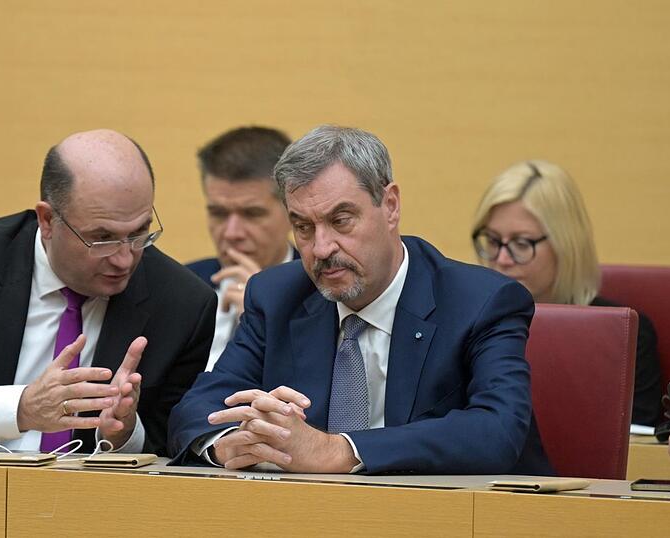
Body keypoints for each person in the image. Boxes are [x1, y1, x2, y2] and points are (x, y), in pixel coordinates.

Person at [168, 125, 551, 475]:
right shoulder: (277, 295)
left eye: (341, 220)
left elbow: (497, 430)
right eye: (302, 227)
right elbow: (199, 407)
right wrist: (228, 446)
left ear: (390, 206)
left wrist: (339, 451)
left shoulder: (481, 301)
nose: (321, 248)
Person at [0, 129, 216, 456]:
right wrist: (20, 409)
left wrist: (123, 433)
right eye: (103, 238)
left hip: (95, 505)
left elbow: (175, 440)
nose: (125, 258)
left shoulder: (183, 302)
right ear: (48, 221)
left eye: (140, 233)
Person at [471, 160, 663, 427]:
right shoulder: (466, 324)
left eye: (521, 243)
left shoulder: (625, 334)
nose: (502, 258)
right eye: (492, 241)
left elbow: (637, 445)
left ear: (566, 245)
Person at [186, 127, 297, 370]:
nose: (231, 233)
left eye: (252, 214)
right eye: (218, 213)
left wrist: (261, 322)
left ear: (292, 212)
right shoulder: (182, 288)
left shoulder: (322, 292)